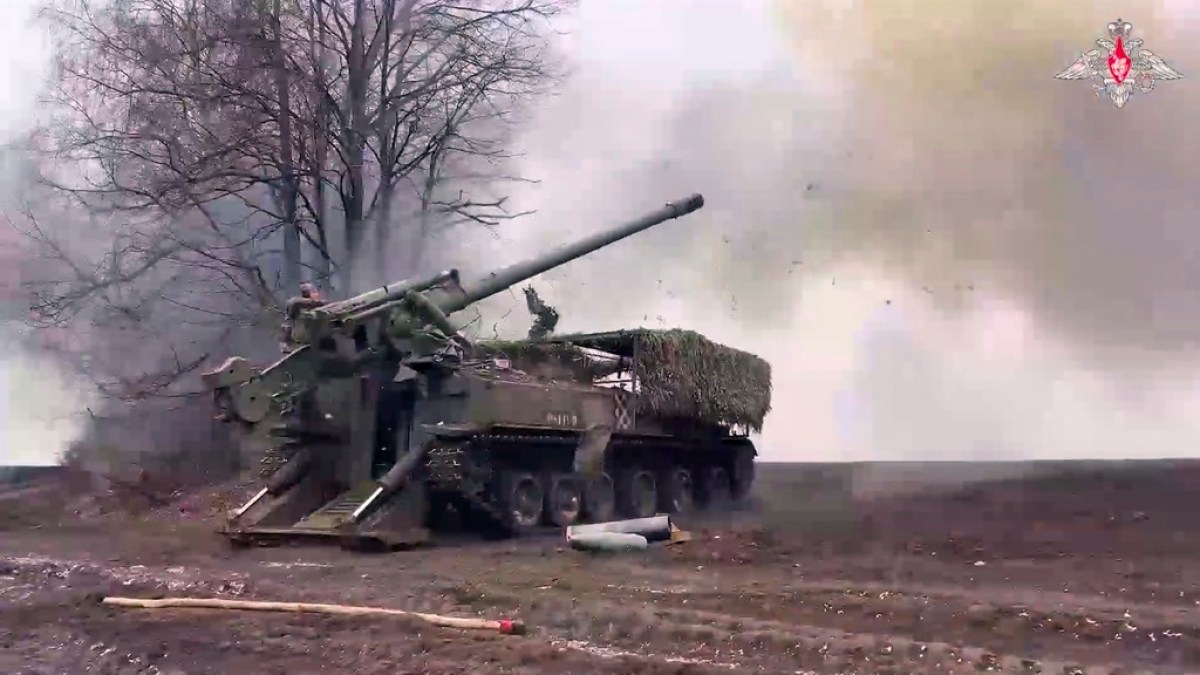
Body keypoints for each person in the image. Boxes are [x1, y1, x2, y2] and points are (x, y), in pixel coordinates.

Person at [279, 283, 327, 352]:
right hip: (298, 345)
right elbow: (292, 302)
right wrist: (316, 303)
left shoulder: (322, 308)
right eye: (314, 292)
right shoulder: (297, 306)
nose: (318, 294)